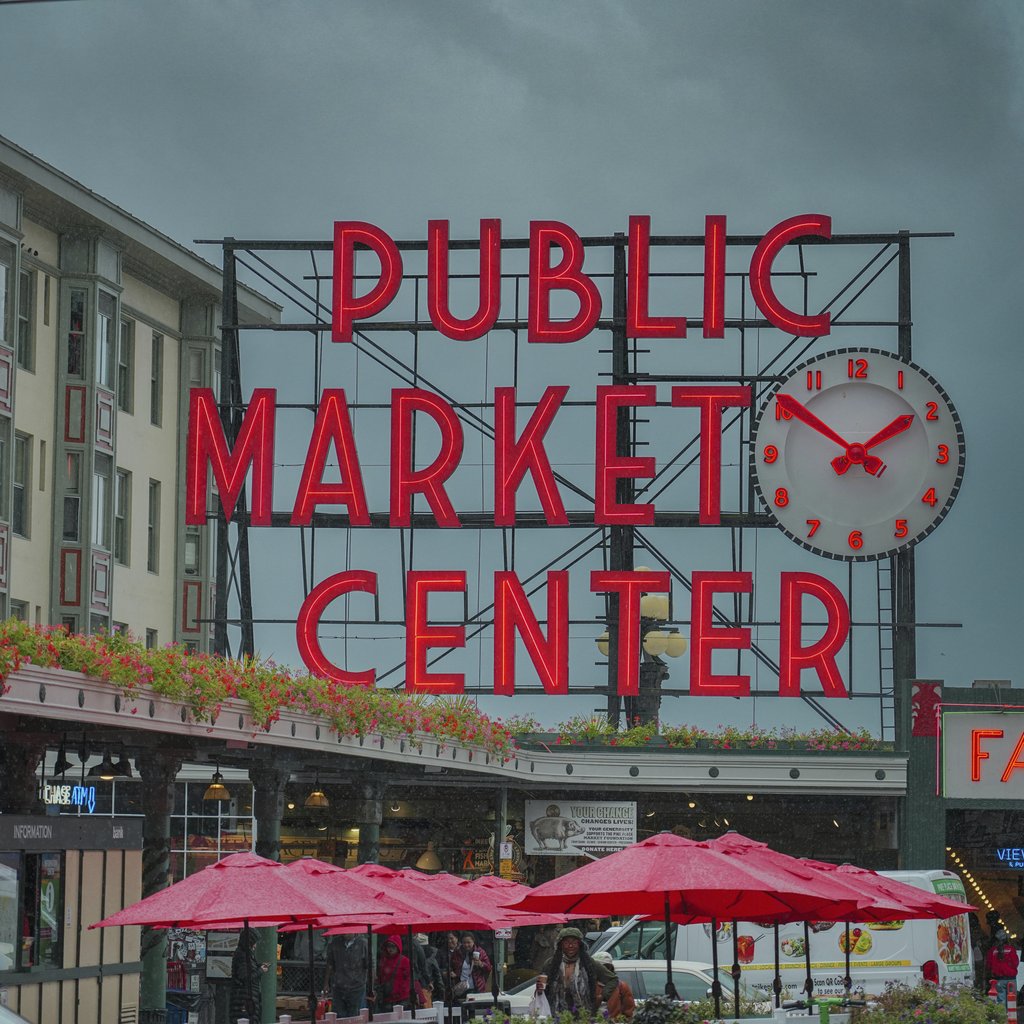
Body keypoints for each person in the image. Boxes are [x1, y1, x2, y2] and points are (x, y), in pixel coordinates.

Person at [535, 927, 612, 1016]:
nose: (570, 946)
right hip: (557, 1016)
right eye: (566, 942)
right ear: (560, 945)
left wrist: (601, 996)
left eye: (574, 942)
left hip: (583, 1016)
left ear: (580, 944)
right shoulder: (550, 964)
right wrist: (539, 989)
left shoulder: (589, 963)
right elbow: (541, 990)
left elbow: (612, 979)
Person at [325, 931, 369, 1017]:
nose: (344, 933)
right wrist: (326, 983)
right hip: (338, 987)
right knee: (339, 1017)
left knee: (355, 1017)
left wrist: (369, 984)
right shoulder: (335, 943)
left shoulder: (363, 944)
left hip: (357, 988)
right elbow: (330, 964)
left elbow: (368, 965)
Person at [229, 928, 268, 1023]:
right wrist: (260, 971)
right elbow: (246, 977)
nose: (255, 945)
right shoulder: (243, 955)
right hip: (244, 1000)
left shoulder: (245, 954)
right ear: (250, 942)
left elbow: (246, 972)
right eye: (254, 942)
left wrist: (258, 966)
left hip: (244, 999)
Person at [592, 951, 635, 1020]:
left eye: (606, 967)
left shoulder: (621, 986)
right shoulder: (587, 985)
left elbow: (629, 1013)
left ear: (611, 968)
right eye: (600, 967)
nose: (603, 970)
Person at [450, 931, 491, 1000]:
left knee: (475, 1008)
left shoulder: (480, 952)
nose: (466, 945)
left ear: (473, 942)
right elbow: (451, 965)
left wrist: (481, 964)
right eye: (464, 943)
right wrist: (452, 972)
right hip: (462, 988)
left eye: (468, 942)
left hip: (477, 988)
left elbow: (488, 968)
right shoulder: (457, 953)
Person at [377, 934, 412, 1008]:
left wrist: (401, 991)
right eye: (388, 946)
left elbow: (409, 979)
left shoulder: (405, 961)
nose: (390, 949)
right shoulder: (384, 960)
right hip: (387, 998)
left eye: (393, 946)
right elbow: (381, 978)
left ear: (398, 947)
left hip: (402, 999)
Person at [986, 929, 1019, 1007]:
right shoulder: (1011, 949)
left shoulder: (992, 951)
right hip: (1011, 979)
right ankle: (1012, 1017)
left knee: (1001, 1001)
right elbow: (1015, 963)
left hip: (999, 980)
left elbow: (989, 965)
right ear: (1006, 939)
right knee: (1012, 1001)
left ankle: (1003, 1018)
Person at [415, 932, 445, 1007]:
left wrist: (441, 991)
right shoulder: (431, 959)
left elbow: (438, 975)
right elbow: (438, 976)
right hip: (423, 987)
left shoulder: (429, 959)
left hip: (425, 988)